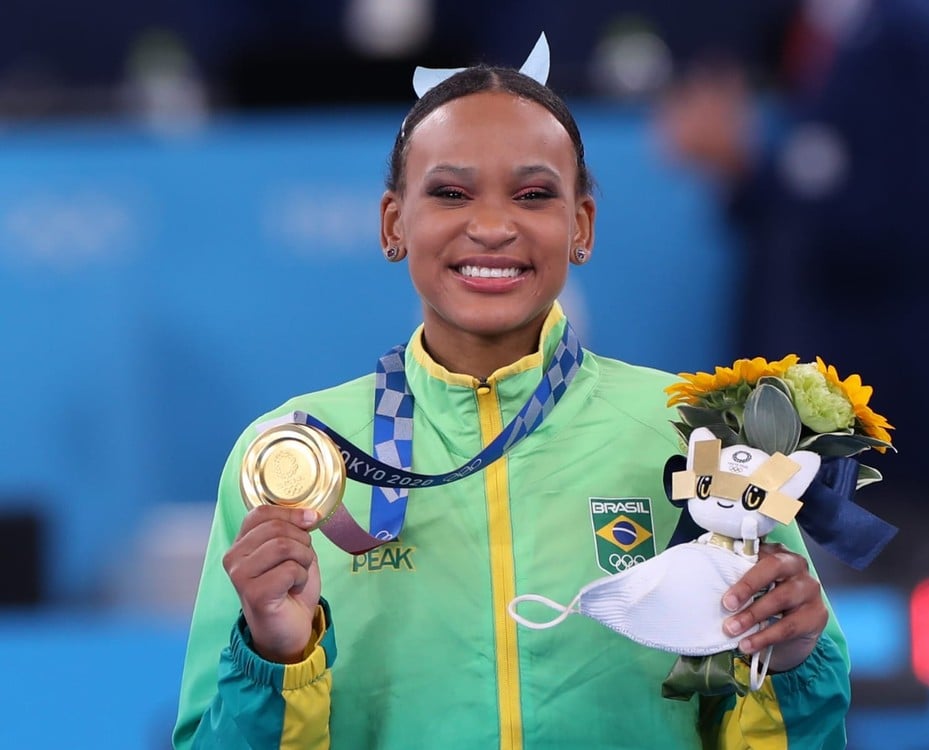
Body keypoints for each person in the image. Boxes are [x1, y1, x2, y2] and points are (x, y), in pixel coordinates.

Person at [172, 37, 850, 749]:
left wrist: (790, 662)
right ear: (393, 223)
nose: (493, 226)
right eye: (450, 193)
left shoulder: (700, 437)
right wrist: (276, 657)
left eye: (533, 195)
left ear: (580, 226)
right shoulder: (294, 454)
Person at [656, 0, 929, 571]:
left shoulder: (905, 36)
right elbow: (819, 203)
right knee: (825, 621)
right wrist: (746, 172)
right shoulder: (842, 33)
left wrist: (749, 164)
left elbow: (893, 222)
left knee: (889, 612)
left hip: (891, 409)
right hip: (829, 419)